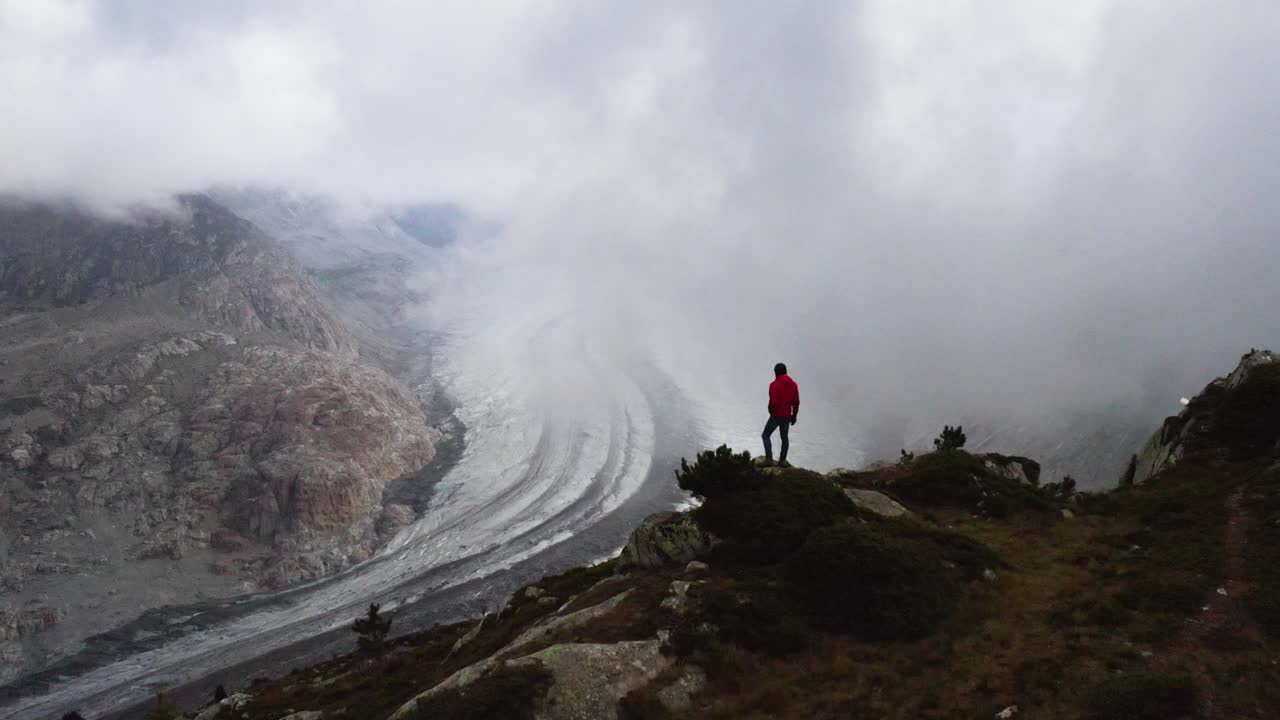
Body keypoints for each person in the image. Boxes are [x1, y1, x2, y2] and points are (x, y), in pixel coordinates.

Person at [762, 363, 799, 467]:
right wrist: (794, 416)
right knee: (784, 438)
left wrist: (771, 412)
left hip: (776, 415)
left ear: (776, 372)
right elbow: (796, 403)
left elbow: (772, 403)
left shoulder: (774, 385)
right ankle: (782, 461)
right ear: (786, 371)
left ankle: (769, 460)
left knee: (766, 435)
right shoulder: (794, 385)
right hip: (787, 416)